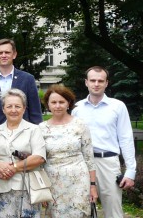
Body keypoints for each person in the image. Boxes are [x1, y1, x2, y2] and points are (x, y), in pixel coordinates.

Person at [72, 67, 136, 218]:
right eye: (92, 80)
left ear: (106, 83)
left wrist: (131, 171)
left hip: (108, 163)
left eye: (100, 80)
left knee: (113, 211)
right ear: (86, 82)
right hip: (83, 163)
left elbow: (126, 138)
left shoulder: (117, 106)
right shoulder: (77, 108)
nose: (96, 84)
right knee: (84, 210)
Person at [39, 84, 97, 217]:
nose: (57, 106)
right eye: (53, 102)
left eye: (61, 102)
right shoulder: (41, 128)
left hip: (79, 181)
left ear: (68, 103)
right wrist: (43, 188)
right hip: (53, 182)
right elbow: (40, 162)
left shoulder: (80, 125)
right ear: (48, 104)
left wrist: (92, 186)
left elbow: (89, 157)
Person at [0, 88, 47, 218]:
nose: (13, 110)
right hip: (1, 189)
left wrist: (13, 168)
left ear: (24, 108)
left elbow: (39, 158)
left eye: (17, 106)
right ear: (3, 109)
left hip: (28, 189)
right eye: (9, 106)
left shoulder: (34, 129)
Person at [0, 39, 42, 126]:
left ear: (14, 54)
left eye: (7, 52)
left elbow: (35, 112)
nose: (3, 55)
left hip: (23, 134)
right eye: (0, 53)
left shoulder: (28, 79)